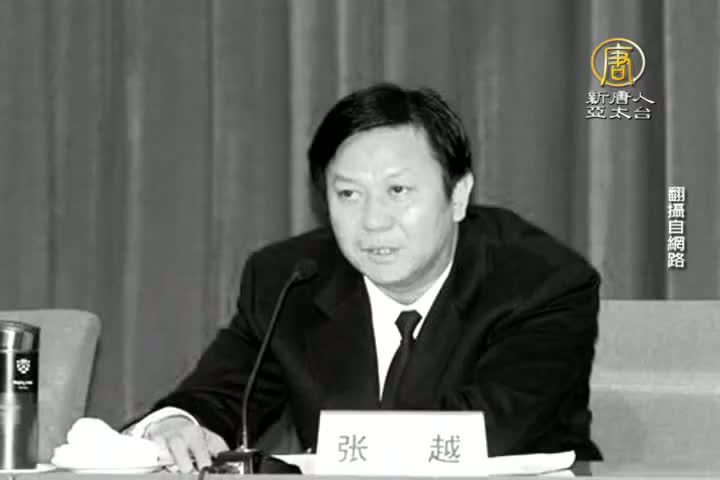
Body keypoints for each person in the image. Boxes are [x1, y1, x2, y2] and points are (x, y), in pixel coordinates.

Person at [128, 83, 603, 472]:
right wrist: (176, 424)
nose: (373, 221)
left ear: (458, 195)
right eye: (349, 194)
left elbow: (488, 433)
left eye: (398, 190)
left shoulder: (541, 283)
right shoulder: (290, 281)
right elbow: (218, 396)